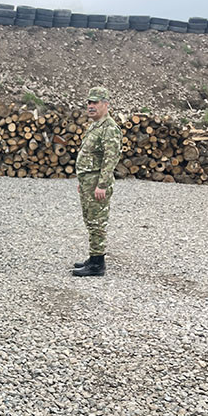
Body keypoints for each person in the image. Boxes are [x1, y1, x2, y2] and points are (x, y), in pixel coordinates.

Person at [72, 86, 122, 277]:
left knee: (97, 222)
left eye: (95, 102)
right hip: (88, 181)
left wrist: (102, 184)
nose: (91, 106)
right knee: (89, 219)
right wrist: (82, 179)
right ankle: (93, 257)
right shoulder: (95, 125)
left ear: (105, 104)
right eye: (89, 102)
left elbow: (110, 159)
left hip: (97, 183)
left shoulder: (109, 128)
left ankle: (97, 264)